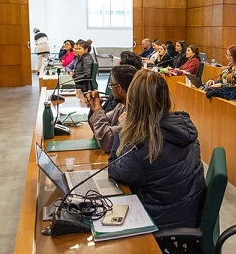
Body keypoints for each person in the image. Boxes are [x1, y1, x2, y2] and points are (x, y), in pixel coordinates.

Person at [108, 69, 206, 229]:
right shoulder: (182, 126)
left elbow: (115, 169)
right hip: (185, 212)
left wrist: (122, 129)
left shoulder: (145, 146)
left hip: (162, 221)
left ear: (133, 102)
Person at [85, 65, 138, 153]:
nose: (111, 89)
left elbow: (107, 143)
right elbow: (98, 129)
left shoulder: (135, 111)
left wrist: (98, 110)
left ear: (119, 88)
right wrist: (93, 107)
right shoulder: (122, 105)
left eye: (111, 85)